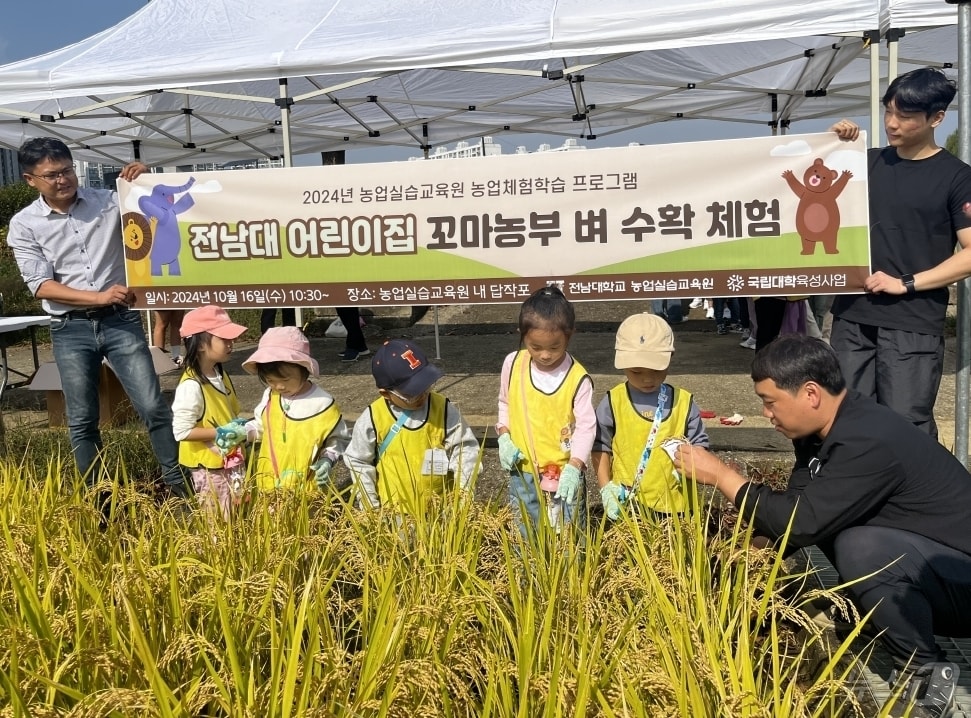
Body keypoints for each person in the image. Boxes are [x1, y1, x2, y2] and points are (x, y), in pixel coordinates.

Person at [674, 335, 971, 718]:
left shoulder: (866, 439)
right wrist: (739, 563)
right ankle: (877, 620)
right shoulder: (822, 434)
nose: (766, 414)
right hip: (936, 569)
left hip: (962, 581)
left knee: (859, 547)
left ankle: (926, 673)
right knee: (838, 527)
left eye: (769, 402)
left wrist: (722, 477)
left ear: (810, 394)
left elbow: (802, 523)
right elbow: (794, 508)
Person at [6, 137, 191, 500]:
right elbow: (41, 286)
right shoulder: (24, 224)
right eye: (52, 175)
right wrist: (98, 295)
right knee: (82, 419)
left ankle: (179, 487)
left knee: (153, 406)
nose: (63, 179)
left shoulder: (109, 202)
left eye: (67, 170)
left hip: (120, 320)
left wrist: (145, 181)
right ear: (31, 180)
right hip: (69, 329)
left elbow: (157, 210)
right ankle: (97, 497)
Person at [828, 67, 971, 438]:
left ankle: (917, 498)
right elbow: (811, 184)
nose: (892, 123)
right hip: (852, 316)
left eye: (905, 116)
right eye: (888, 111)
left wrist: (906, 283)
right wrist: (830, 144)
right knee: (846, 422)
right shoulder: (866, 163)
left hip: (913, 322)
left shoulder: (957, 177)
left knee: (906, 427)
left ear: (937, 118)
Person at [496, 286, 595, 536]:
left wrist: (575, 465)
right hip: (523, 469)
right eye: (535, 346)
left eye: (554, 346)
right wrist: (504, 436)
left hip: (564, 473)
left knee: (570, 540)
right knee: (526, 536)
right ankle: (528, 576)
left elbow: (586, 425)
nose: (545, 355)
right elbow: (505, 402)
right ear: (523, 336)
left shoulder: (577, 378)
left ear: (569, 336)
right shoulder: (513, 364)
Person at [592, 313, 709, 521]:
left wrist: (690, 465)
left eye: (656, 370)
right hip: (627, 503)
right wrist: (605, 489)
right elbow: (600, 446)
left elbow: (700, 444)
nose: (647, 379)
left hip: (676, 505)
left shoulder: (683, 402)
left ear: (670, 358)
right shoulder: (613, 401)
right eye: (636, 371)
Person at [343, 338, 478, 514]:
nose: (422, 396)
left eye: (426, 387)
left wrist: (463, 497)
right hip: (394, 513)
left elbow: (464, 450)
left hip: (440, 511)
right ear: (386, 393)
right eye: (412, 393)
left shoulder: (443, 409)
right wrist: (370, 507)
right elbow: (358, 461)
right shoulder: (373, 418)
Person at [217, 326, 351, 492]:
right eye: (270, 380)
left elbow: (337, 440)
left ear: (304, 370)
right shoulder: (270, 395)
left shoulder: (322, 403)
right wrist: (243, 432)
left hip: (306, 488)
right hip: (269, 483)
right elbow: (262, 427)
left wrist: (327, 460)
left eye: (285, 379)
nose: (279, 386)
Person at [171, 306, 248, 518]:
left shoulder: (218, 373)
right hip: (210, 469)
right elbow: (182, 432)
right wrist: (221, 432)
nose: (231, 344)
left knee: (234, 516)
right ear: (201, 344)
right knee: (218, 523)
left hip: (229, 463)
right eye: (224, 338)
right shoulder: (191, 386)